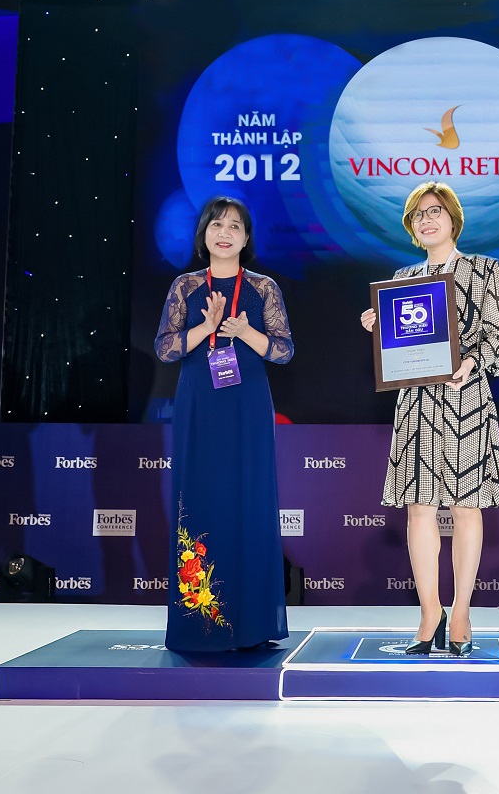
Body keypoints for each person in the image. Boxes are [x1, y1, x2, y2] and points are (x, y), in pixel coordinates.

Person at [360, 181, 499, 658]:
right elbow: (402, 349)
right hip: (417, 403)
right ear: (411, 227)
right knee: (419, 510)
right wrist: (379, 329)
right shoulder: (403, 279)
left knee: (467, 509)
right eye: (418, 215)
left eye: (435, 211)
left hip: (466, 400)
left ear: (453, 219)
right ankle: (430, 613)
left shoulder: (485, 270)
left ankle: (462, 612)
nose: (427, 220)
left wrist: (471, 362)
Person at [156, 196, 294, 653]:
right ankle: (202, 622)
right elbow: (166, 348)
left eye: (235, 226)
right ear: (203, 234)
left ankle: (252, 624)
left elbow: (283, 350)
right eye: (216, 224)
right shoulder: (185, 286)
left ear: (246, 238)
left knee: (249, 501)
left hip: (246, 406)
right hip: (200, 404)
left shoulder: (262, 288)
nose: (225, 233)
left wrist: (243, 332)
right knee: (200, 499)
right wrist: (207, 327)